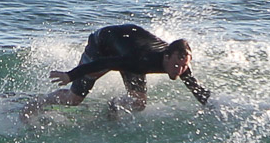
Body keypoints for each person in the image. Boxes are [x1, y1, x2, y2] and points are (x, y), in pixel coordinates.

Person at [33, 24, 210, 116]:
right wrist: (69, 75)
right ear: (166, 56)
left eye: (184, 66)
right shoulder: (140, 61)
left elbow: (197, 91)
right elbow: (104, 63)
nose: (179, 70)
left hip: (131, 43)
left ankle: (112, 109)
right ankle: (37, 103)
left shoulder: (181, 63)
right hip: (104, 43)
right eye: (176, 66)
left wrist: (214, 107)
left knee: (139, 104)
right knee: (74, 100)